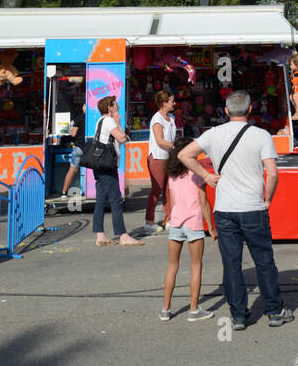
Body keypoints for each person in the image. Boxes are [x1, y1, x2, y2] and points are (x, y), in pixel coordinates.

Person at [179, 91, 292, 330]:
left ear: (226, 111)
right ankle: (274, 310)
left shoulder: (213, 134)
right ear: (250, 110)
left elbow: (183, 155)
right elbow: (272, 173)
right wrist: (268, 199)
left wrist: (206, 175)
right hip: (253, 206)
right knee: (264, 261)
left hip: (225, 208)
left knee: (232, 264)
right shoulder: (261, 135)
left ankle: (239, 315)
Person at [160, 137, 217, 321]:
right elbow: (203, 202)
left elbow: (172, 200)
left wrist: (169, 216)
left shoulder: (172, 175)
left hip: (176, 222)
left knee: (172, 266)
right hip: (193, 222)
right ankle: (193, 309)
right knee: (196, 266)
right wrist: (212, 228)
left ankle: (165, 309)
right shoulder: (196, 174)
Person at [92, 96, 144, 247]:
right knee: (116, 200)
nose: (118, 106)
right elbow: (122, 138)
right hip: (108, 166)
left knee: (101, 200)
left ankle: (100, 235)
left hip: (100, 165)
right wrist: (119, 121)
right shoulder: (109, 121)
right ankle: (123, 235)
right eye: (115, 104)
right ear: (110, 108)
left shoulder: (100, 121)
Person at [144, 91, 177, 236]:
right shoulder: (157, 119)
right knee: (156, 190)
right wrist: (175, 147)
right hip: (157, 158)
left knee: (169, 190)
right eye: (172, 101)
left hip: (168, 157)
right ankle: (149, 221)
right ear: (164, 103)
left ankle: (169, 219)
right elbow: (159, 141)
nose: (174, 103)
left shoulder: (171, 118)